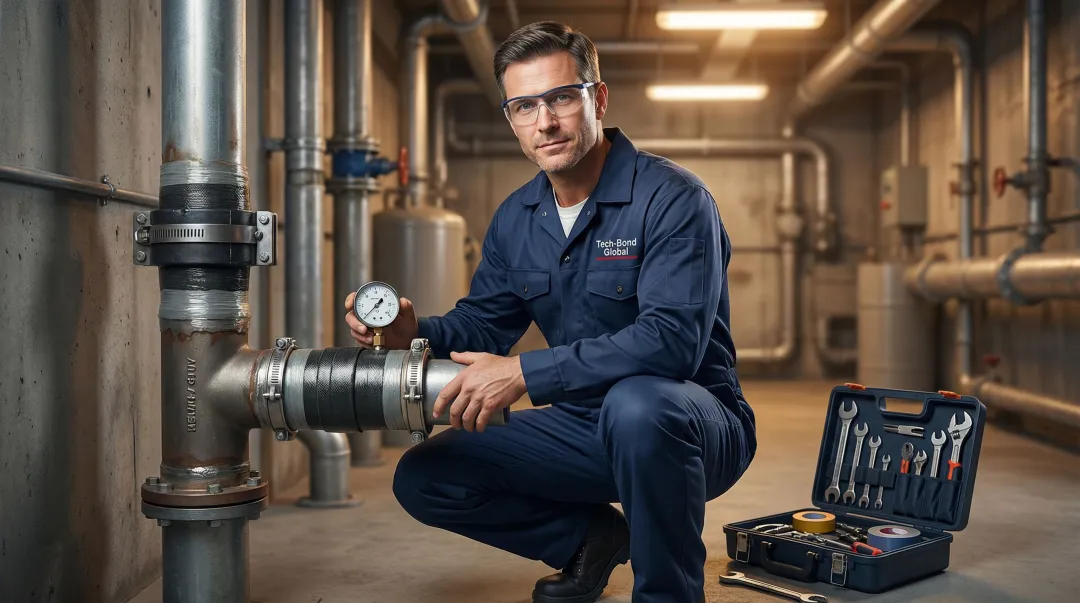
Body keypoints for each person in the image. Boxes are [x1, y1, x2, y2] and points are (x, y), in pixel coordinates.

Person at [344, 21, 757, 603]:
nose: (546, 122)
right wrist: (412, 332)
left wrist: (523, 373)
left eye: (561, 97)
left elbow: (671, 345)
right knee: (426, 475)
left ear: (598, 98)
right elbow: (482, 325)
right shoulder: (518, 218)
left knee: (637, 405)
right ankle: (590, 541)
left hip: (690, 425)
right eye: (524, 106)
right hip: (583, 425)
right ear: (510, 118)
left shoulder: (672, 198)